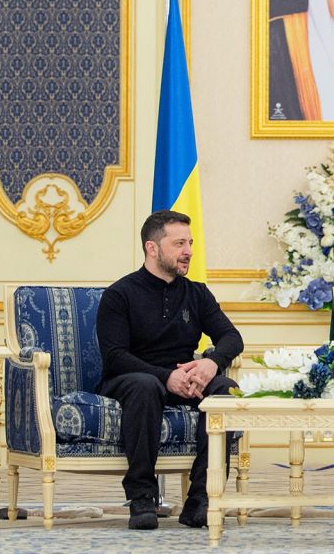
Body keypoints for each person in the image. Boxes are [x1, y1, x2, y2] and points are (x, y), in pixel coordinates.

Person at [97, 210, 244, 530]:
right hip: (132, 380)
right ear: (153, 248)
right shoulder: (119, 294)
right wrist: (166, 377)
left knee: (224, 389)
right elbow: (115, 356)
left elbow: (233, 338)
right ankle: (141, 496)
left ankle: (201, 498)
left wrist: (210, 363)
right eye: (179, 243)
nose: (188, 250)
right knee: (145, 385)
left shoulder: (197, 293)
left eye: (189, 243)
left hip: (186, 379)